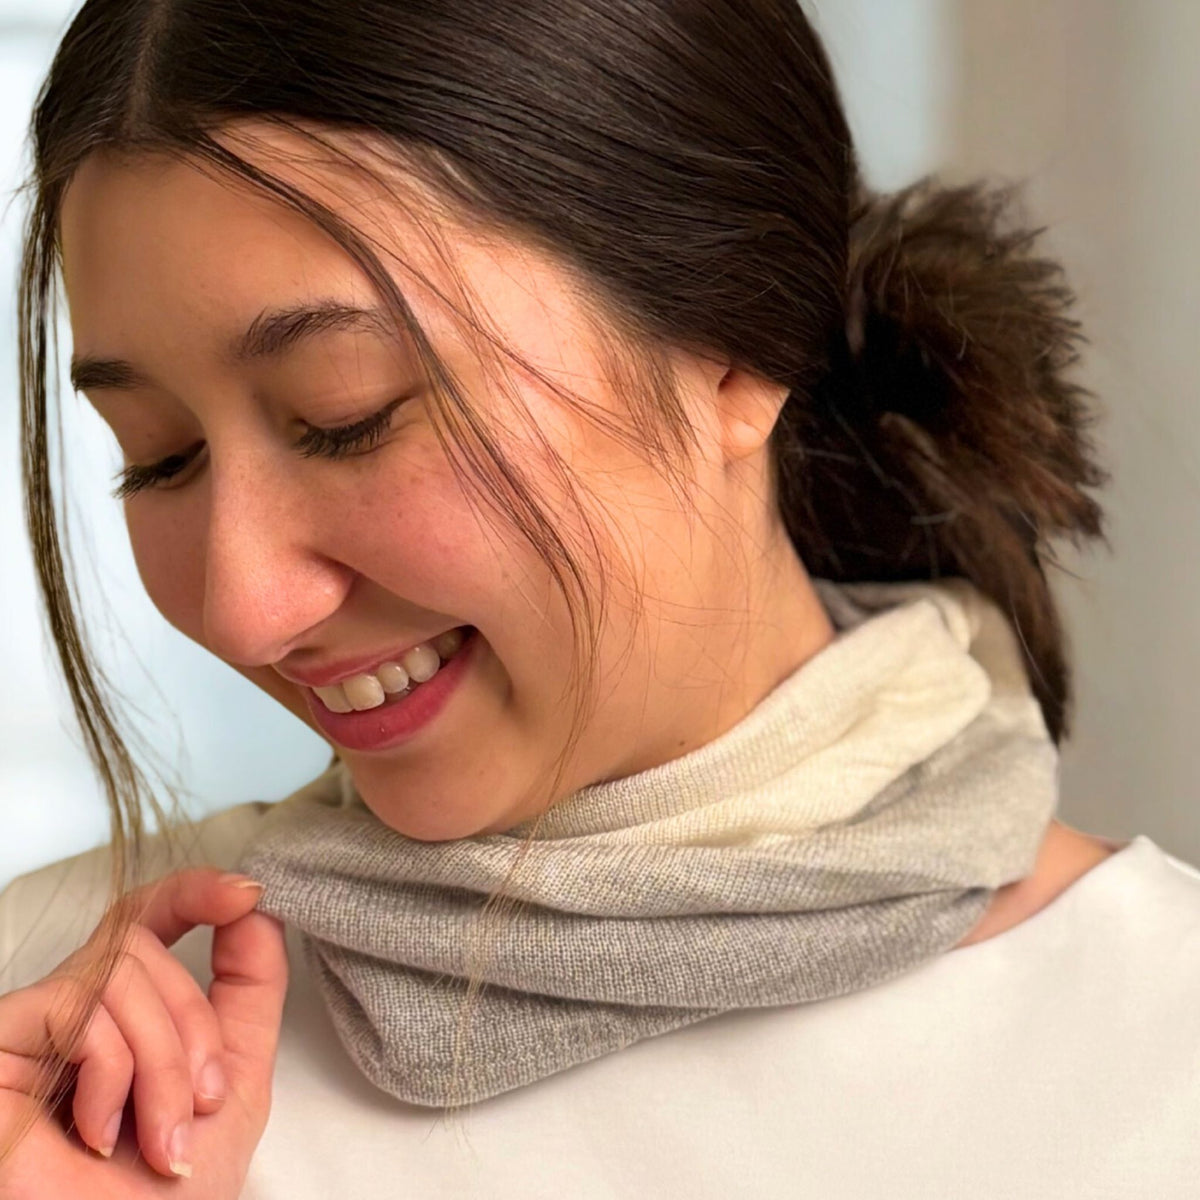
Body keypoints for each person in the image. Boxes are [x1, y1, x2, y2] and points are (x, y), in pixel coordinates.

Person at [1, 0, 1198, 1196]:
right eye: (161, 455)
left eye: (345, 415)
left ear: (731, 340)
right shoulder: (50, 1035)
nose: (245, 607)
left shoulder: (1161, 1050)